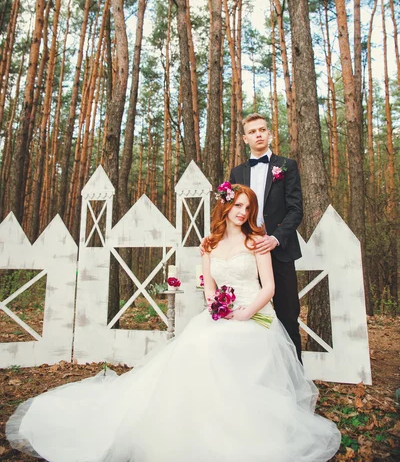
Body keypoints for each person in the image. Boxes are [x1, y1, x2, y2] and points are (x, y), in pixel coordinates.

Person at [6, 184, 340, 462]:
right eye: (237, 205)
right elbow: (208, 282)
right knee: (195, 343)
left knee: (216, 345)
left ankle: (234, 424)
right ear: (225, 207)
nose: (242, 211)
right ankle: (189, 420)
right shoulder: (209, 244)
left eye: (247, 207)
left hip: (255, 317)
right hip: (221, 315)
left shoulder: (257, 242)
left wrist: (244, 312)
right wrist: (214, 302)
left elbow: (269, 287)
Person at [229, 112, 303, 361]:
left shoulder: (286, 166)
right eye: (252, 131)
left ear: (269, 133)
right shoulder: (237, 173)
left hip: (279, 251)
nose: (258, 134)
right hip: (246, 253)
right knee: (247, 315)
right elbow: (230, 213)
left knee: (287, 316)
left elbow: (295, 209)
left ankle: (295, 380)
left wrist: (275, 238)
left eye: (262, 129)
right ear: (245, 138)